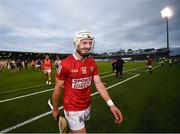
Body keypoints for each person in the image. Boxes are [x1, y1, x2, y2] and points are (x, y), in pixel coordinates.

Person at [52, 31, 123, 133]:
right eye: (84, 43)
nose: (88, 46)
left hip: (87, 105)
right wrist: (55, 109)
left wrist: (111, 105)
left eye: (90, 43)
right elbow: (57, 88)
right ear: (76, 44)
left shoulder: (92, 62)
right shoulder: (65, 64)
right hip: (72, 109)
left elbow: (98, 84)